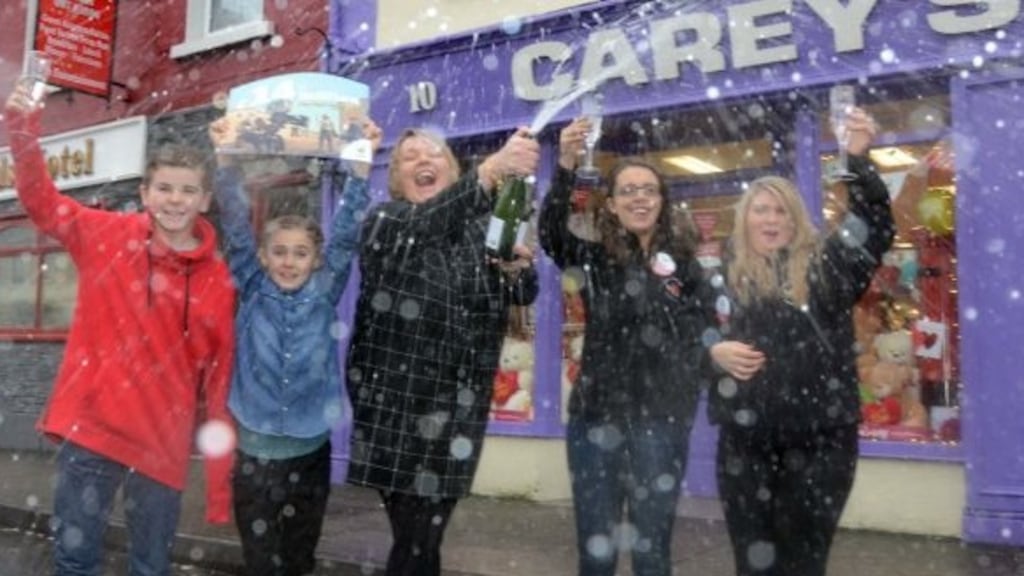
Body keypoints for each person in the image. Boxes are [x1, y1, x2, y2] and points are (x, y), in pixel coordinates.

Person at [4, 84, 236, 575]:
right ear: (144, 193)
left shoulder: (218, 281)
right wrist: (22, 131)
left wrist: (218, 483)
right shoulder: (106, 236)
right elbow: (42, 203)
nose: (175, 200)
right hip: (92, 433)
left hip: (162, 444)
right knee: (75, 559)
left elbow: (218, 382)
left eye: (187, 190)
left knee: (150, 567)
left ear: (205, 199)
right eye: (165, 188)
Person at [705, 107, 893, 576]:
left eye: (782, 210)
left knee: (803, 562)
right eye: (761, 210)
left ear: (796, 220)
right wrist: (709, 352)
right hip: (744, 445)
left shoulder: (828, 267)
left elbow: (875, 229)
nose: (771, 219)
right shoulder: (720, 276)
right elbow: (681, 339)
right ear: (745, 218)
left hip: (820, 443)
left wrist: (857, 160)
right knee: (753, 563)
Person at [345, 126, 540, 576]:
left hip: (457, 409)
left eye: (434, 154)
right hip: (396, 407)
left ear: (452, 171)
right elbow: (426, 223)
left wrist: (514, 269)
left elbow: (522, 291)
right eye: (410, 157)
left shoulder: (480, 230)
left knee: (424, 543)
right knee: (416, 543)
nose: (423, 161)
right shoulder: (387, 221)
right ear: (396, 177)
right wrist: (491, 170)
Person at [209, 118, 380, 576]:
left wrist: (360, 172)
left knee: (299, 559)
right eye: (279, 252)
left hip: (309, 454)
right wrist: (226, 163)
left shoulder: (324, 290)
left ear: (315, 259)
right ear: (264, 257)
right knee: (262, 562)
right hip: (254, 457)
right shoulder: (252, 285)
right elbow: (237, 227)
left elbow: (344, 236)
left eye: (300, 252)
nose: (288, 261)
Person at [538, 117, 707, 576]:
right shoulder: (595, 260)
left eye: (648, 190)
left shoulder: (687, 268)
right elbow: (552, 233)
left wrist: (685, 389)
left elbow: (703, 337)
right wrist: (568, 164)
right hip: (596, 422)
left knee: (653, 551)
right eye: (628, 190)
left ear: (662, 202)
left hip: (660, 424)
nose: (639, 197)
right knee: (597, 551)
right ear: (610, 204)